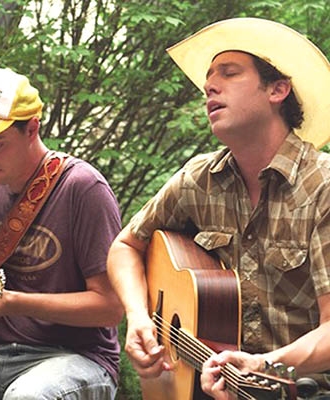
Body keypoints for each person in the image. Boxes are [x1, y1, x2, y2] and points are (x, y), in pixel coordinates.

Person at [107, 17, 330, 399]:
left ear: (277, 90)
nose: (209, 86)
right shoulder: (198, 178)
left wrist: (263, 365)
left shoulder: (322, 187)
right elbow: (125, 247)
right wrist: (139, 318)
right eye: (209, 78)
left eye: (229, 74)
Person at [0, 67, 123, 399]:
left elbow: (111, 307)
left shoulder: (83, 188)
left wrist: (12, 303)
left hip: (74, 358)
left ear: (32, 128)